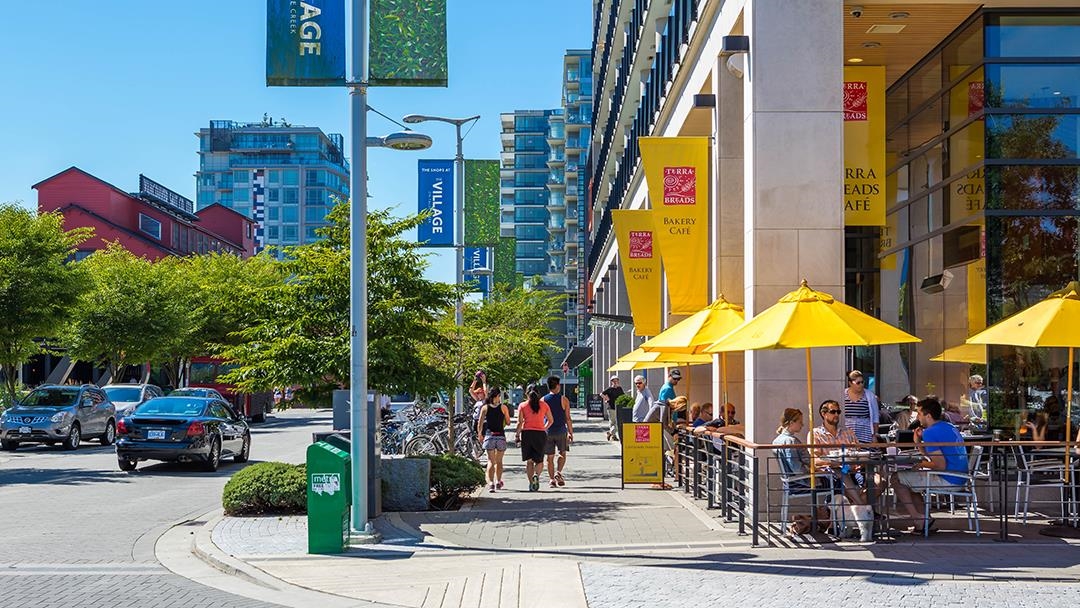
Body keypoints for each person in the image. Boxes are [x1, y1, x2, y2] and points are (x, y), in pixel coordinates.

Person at [890, 397, 968, 534]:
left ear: (928, 415)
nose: (917, 416)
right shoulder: (948, 426)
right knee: (910, 481)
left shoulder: (931, 432)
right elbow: (936, 458)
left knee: (896, 478)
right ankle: (925, 521)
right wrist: (919, 443)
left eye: (919, 413)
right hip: (960, 477)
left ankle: (917, 518)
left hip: (949, 479)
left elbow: (939, 464)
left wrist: (921, 464)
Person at [811, 399, 870, 506]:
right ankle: (863, 508)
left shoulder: (848, 432)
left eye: (838, 412)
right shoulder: (816, 434)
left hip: (854, 470)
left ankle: (857, 510)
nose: (836, 415)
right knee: (842, 472)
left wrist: (858, 463)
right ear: (823, 414)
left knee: (880, 479)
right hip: (833, 473)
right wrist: (836, 463)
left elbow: (859, 453)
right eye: (833, 412)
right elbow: (815, 461)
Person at [514, 384, 552, 492]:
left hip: (527, 434)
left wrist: (517, 435)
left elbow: (520, 422)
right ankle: (536, 475)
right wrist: (544, 428)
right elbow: (551, 420)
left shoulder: (523, 405)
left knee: (529, 461)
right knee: (539, 460)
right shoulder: (544, 405)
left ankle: (531, 483)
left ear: (526, 393)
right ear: (538, 393)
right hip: (540, 433)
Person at [476, 387, 510, 492]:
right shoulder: (503, 407)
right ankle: (498, 481)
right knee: (499, 461)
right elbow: (508, 422)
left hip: (489, 436)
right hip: (500, 436)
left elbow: (480, 423)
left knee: (491, 461)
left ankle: (491, 483)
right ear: (497, 396)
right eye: (499, 396)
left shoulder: (485, 408)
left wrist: (480, 435)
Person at [542, 376, 574, 488]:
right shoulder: (564, 400)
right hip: (561, 430)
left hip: (547, 431)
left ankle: (551, 480)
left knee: (549, 457)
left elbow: (541, 417)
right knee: (562, 453)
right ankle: (558, 472)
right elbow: (568, 418)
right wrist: (571, 432)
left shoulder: (543, 400)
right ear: (557, 386)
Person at [843, 370, 880, 444]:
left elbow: (875, 417)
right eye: (858, 383)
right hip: (846, 432)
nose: (861, 385)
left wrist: (875, 435)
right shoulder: (843, 394)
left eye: (862, 382)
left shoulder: (870, 395)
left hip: (865, 433)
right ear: (850, 383)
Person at [602, 376, 625, 441]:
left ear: (618, 381)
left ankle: (610, 433)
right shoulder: (609, 389)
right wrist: (606, 398)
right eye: (613, 381)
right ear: (611, 382)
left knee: (617, 422)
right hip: (611, 407)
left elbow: (623, 396)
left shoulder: (619, 388)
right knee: (612, 422)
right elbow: (601, 394)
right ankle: (613, 436)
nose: (615, 382)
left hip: (618, 407)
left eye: (616, 381)